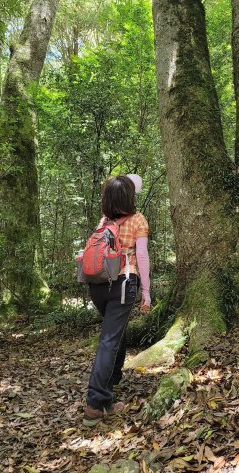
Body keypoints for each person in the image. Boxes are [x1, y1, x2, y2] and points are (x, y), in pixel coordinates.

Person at [83, 175, 151, 426]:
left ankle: (109, 387)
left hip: (97, 285)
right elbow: (141, 257)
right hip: (122, 283)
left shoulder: (104, 221)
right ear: (130, 197)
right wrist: (147, 292)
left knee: (116, 334)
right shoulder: (137, 220)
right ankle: (95, 402)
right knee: (109, 340)